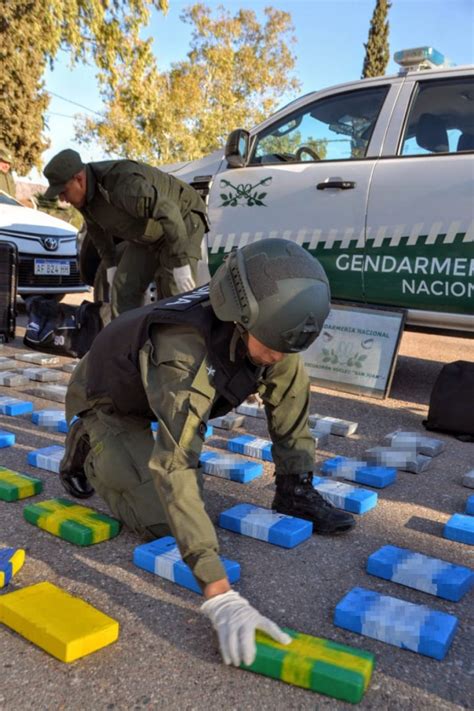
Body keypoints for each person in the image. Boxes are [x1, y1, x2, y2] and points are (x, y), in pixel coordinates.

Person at [60, 238, 355, 667]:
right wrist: (219, 594)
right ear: (241, 318)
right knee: (164, 519)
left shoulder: (264, 330)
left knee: (289, 370)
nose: (277, 353)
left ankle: (295, 486)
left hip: (151, 389)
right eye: (270, 343)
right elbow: (174, 464)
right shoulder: (182, 352)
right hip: (107, 400)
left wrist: (293, 469)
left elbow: (280, 369)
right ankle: (87, 443)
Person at [43, 149, 208, 317]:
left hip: (183, 218)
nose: (62, 199)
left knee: (175, 292)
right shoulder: (85, 200)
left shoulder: (121, 183)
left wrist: (181, 263)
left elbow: (169, 212)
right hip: (150, 233)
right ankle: (126, 341)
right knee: (123, 288)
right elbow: (97, 232)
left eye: (63, 192)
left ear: (79, 179)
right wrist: (111, 266)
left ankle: (181, 341)